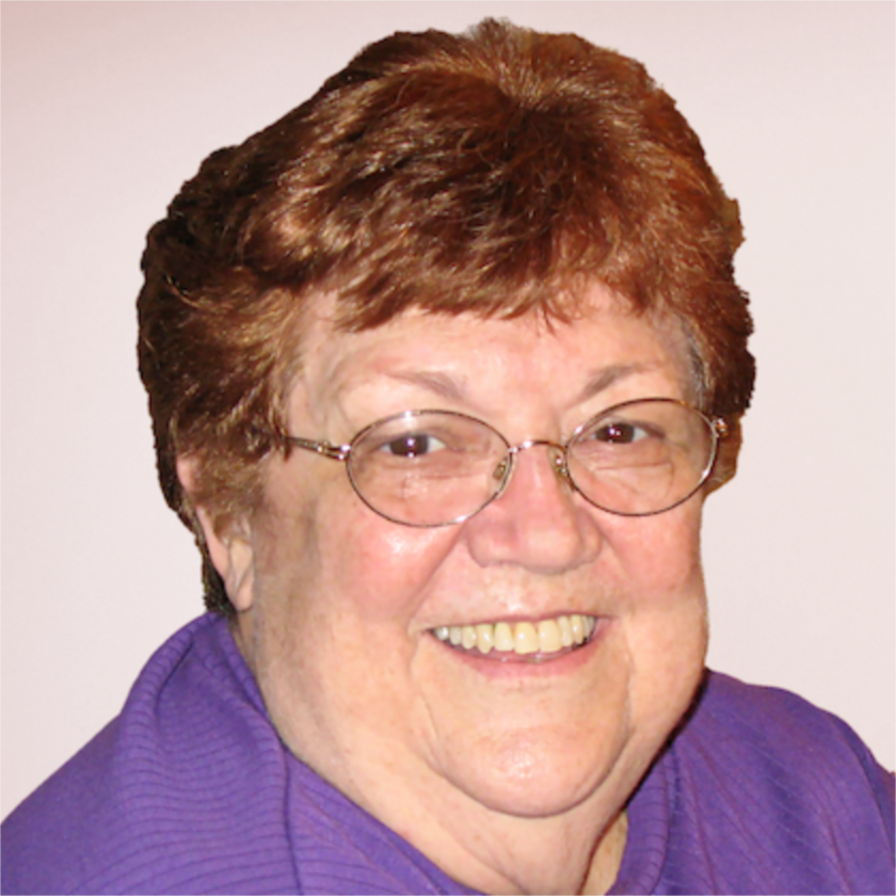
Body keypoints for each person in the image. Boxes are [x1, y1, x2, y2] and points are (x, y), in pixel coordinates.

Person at [1, 18, 893, 896]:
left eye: (618, 431)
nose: (547, 534)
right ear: (229, 514)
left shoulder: (812, 799)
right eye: (416, 443)